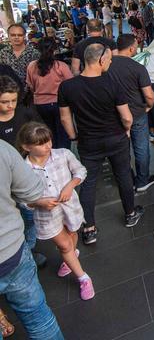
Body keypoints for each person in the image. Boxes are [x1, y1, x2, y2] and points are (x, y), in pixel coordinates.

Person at [58, 43, 143, 245]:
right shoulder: (113, 83)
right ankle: (130, 214)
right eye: (110, 59)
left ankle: (89, 227)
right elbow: (126, 116)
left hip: (88, 142)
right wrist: (127, 129)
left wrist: (73, 137)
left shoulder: (68, 86)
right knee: (123, 175)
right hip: (116, 138)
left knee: (88, 182)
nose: (111, 62)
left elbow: (64, 118)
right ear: (101, 60)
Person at [18, 122, 95, 300]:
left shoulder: (63, 154)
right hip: (46, 215)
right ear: (26, 147)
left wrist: (70, 185)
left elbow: (81, 171)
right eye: (41, 143)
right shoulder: (23, 169)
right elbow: (21, 199)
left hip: (70, 208)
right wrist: (39, 203)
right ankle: (83, 278)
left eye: (49, 141)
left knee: (72, 234)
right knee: (64, 245)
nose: (48, 146)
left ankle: (70, 258)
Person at [0, 140, 64, 339]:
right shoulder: (2, 149)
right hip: (9, 251)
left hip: (11, 251)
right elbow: (32, 191)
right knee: (39, 321)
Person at [0, 76, 47, 269]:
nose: (10, 105)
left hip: (26, 176)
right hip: (5, 182)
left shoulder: (25, 113)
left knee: (29, 217)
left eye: (13, 100)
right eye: (4, 102)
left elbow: (41, 132)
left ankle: (28, 249)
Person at [108, 34, 154, 192]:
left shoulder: (105, 65)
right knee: (141, 147)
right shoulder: (137, 67)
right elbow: (149, 95)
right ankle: (142, 180)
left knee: (120, 150)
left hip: (114, 115)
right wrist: (149, 106)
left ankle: (127, 180)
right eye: (136, 46)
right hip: (136, 112)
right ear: (131, 48)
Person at [26, 38, 73, 149]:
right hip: (59, 103)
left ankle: (51, 154)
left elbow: (31, 86)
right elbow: (70, 85)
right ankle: (63, 156)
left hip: (40, 104)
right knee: (63, 132)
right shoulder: (61, 66)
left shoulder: (31, 66)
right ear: (54, 50)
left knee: (48, 133)